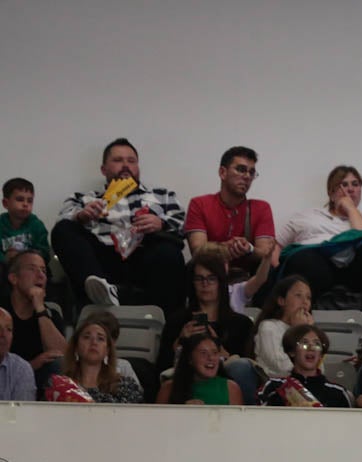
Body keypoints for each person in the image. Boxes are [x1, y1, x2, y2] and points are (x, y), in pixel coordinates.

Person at [53, 138, 186, 311]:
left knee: (169, 252)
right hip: (101, 259)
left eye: (131, 161)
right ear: (103, 169)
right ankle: (101, 290)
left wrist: (161, 223)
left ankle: (165, 326)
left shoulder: (163, 196)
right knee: (63, 229)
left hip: (146, 256)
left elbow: (184, 223)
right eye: (117, 160)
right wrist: (81, 216)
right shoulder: (85, 198)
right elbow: (62, 222)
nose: (125, 165)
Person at [275, 166, 362, 312]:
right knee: (303, 257)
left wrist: (350, 209)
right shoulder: (307, 217)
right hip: (317, 269)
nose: (350, 189)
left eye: (355, 184)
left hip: (358, 273)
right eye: (343, 184)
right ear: (331, 192)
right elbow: (275, 245)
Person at [183, 147, 274, 300]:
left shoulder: (261, 207)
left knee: (268, 269)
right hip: (211, 273)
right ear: (222, 173)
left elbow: (266, 253)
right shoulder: (199, 204)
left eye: (251, 172)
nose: (247, 176)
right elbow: (197, 250)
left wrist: (248, 248)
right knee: (191, 266)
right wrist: (225, 248)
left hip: (247, 276)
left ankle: (262, 322)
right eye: (241, 169)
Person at [156, 253, 256, 394]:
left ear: (221, 283)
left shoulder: (241, 324)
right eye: (199, 279)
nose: (205, 284)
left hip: (227, 388)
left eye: (211, 279)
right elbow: (161, 369)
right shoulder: (177, 322)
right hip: (185, 385)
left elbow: (248, 370)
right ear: (192, 283)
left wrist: (218, 351)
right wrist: (179, 344)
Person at [49, 314, 144, 404]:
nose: (94, 342)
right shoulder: (58, 385)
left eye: (100, 338)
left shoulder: (124, 386)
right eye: (87, 337)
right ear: (76, 347)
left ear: (107, 350)